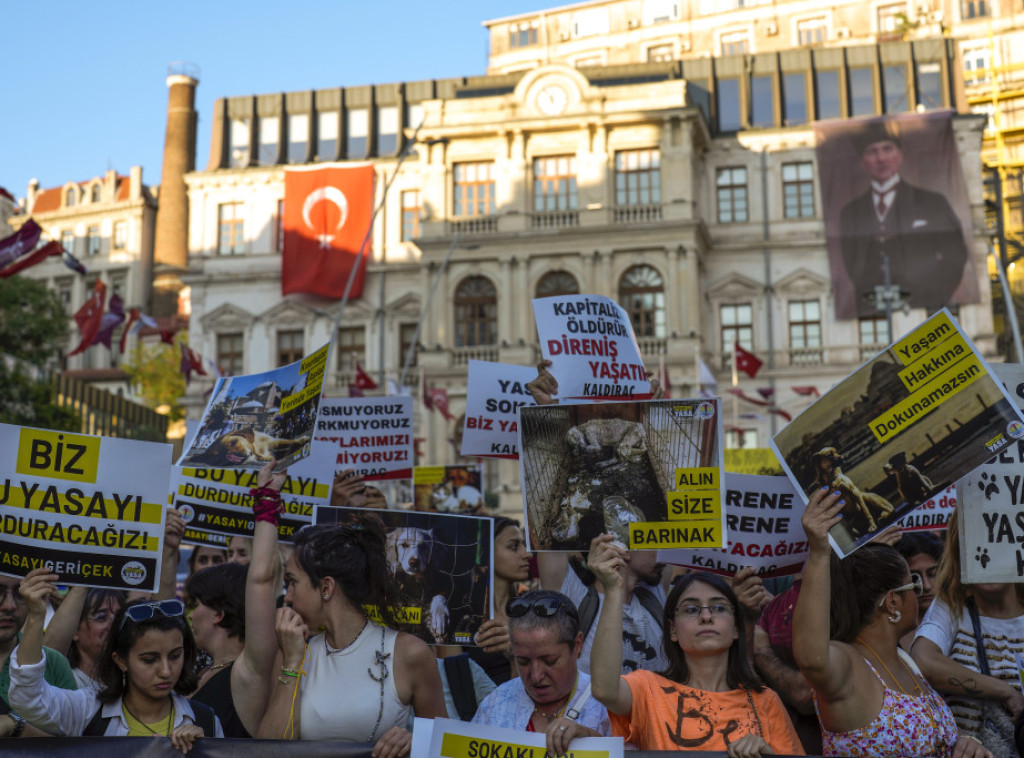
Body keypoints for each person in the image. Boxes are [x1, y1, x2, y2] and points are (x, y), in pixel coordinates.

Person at [794, 488, 985, 758]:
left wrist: (965, 743)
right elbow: (811, 657)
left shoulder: (904, 660)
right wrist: (819, 552)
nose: (921, 592)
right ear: (892, 601)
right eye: (914, 583)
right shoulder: (849, 665)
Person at [589, 539, 802, 756]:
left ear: (736, 627)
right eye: (691, 609)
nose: (706, 616)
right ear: (672, 630)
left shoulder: (766, 701)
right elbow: (604, 690)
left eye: (719, 607)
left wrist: (768, 755)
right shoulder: (648, 689)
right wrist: (614, 589)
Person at [256, 514, 445, 756]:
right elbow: (267, 750)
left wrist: (414, 741)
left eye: (292, 582)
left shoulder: (409, 653)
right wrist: (292, 663)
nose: (288, 597)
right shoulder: (292, 651)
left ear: (326, 587)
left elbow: (443, 745)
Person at [9, 571, 222, 749]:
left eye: (175, 655)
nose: (166, 671)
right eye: (149, 659)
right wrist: (36, 615)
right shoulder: (87, 710)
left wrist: (204, 750)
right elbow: (28, 697)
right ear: (120, 660)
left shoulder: (205, 721)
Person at [912, 513, 1024, 755]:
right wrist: (1005, 692)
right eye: (976, 546)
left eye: (997, 544)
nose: (987, 556)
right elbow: (923, 660)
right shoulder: (951, 606)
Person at [838, 119, 968, 315]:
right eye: (872, 151)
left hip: (924, 303)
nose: (881, 158)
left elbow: (956, 254)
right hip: (875, 310)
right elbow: (852, 265)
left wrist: (934, 296)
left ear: (899, 155)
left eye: (887, 149)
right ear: (862, 162)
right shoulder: (850, 213)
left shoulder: (932, 202)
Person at [472, 589, 610, 757]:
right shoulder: (495, 705)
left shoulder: (606, 705)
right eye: (523, 661)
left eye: (549, 661)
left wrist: (594, 742)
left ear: (577, 645)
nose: (536, 675)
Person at [0, 574, 77, 738]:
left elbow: (74, 748)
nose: (9, 605)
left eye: (20, 593)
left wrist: (15, 726)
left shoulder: (54, 663)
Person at [462, 517, 532, 685]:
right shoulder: (460, 613)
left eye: (523, 545)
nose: (527, 554)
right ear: (484, 552)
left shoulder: (531, 609)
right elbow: (453, 684)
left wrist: (515, 654)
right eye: (514, 546)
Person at [42, 586, 126, 690]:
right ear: (74, 630)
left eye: (119, 618)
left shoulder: (127, 682)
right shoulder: (64, 682)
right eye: (101, 617)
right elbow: (49, 657)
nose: (113, 625)